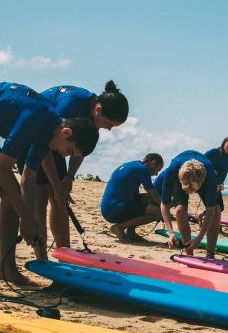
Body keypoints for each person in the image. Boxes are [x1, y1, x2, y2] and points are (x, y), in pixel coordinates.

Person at [0, 82, 98, 282]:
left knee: (11, 201)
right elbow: (2, 167)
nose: (64, 155)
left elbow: (28, 179)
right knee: (10, 198)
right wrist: (26, 217)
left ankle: (6, 270)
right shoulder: (35, 118)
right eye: (69, 151)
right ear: (66, 132)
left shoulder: (48, 137)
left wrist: (27, 218)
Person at [33, 81, 129, 255]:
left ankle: (64, 254)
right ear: (98, 109)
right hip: (38, 140)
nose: (108, 129)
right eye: (108, 123)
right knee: (40, 198)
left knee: (59, 201)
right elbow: (45, 146)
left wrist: (69, 177)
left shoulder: (93, 119)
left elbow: (80, 149)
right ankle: (41, 257)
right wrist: (56, 185)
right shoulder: (69, 107)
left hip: (60, 143)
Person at [155, 151, 218, 257]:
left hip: (203, 175)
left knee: (216, 210)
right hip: (180, 172)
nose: (191, 192)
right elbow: (164, 204)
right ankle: (189, 252)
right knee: (179, 210)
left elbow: (211, 209)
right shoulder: (172, 171)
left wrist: (200, 237)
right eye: (188, 189)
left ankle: (210, 254)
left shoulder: (211, 176)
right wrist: (171, 233)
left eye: (193, 189)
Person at [101, 153, 163, 242]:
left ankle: (131, 232)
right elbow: (153, 194)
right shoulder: (142, 170)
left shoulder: (132, 165)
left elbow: (144, 197)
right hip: (115, 210)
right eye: (158, 170)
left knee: (148, 200)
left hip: (109, 207)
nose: (156, 174)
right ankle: (118, 228)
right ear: (153, 163)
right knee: (158, 212)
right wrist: (165, 212)